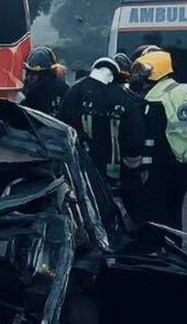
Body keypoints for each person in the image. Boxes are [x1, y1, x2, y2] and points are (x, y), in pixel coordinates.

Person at [58, 57, 146, 215]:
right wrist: (132, 171)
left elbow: (61, 126)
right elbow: (135, 137)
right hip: (114, 174)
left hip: (80, 170)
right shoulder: (124, 98)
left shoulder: (74, 92)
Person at [132, 50, 187, 230]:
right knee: (171, 207)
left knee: (162, 208)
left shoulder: (159, 96)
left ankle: (165, 247)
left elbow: (158, 130)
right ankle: (171, 245)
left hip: (169, 161)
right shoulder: (171, 91)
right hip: (178, 160)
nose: (140, 76)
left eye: (143, 71)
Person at [19, 45, 69, 115]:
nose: (30, 77)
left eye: (35, 74)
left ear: (45, 75)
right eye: (29, 73)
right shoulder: (22, 94)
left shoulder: (61, 91)